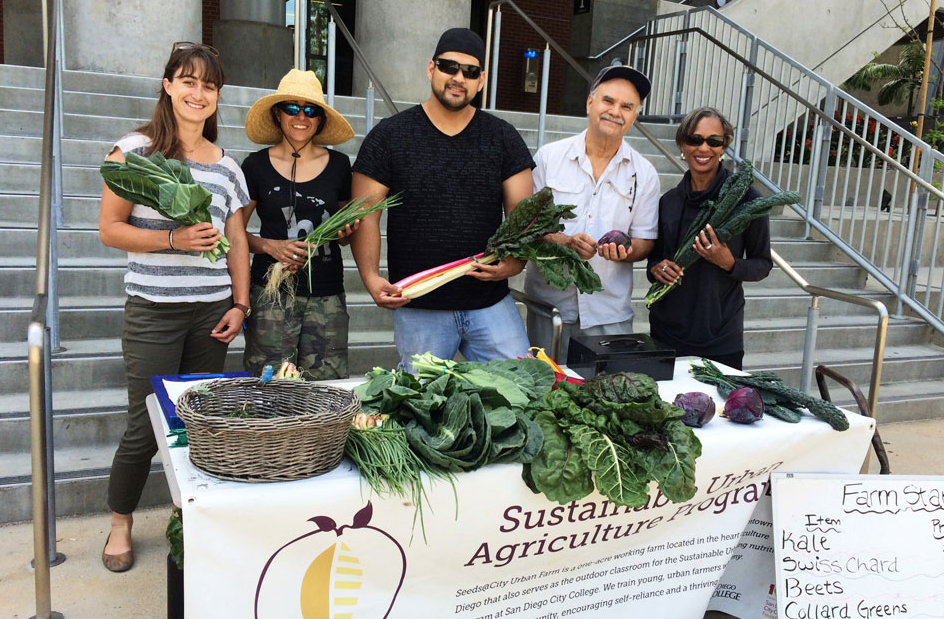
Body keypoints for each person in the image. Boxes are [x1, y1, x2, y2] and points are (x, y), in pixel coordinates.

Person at [98, 42, 250, 572]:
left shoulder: (227, 167)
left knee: (196, 423)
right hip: (153, 310)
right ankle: (121, 522)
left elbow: (235, 239)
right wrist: (172, 242)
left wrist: (241, 303)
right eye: (188, 81)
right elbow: (109, 230)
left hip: (210, 315)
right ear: (168, 86)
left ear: (217, 97)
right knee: (145, 426)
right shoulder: (134, 151)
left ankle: (188, 517)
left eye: (208, 86)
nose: (198, 93)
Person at [350, 27, 535, 369]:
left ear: (481, 81)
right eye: (449, 66)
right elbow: (365, 215)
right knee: (423, 408)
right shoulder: (390, 136)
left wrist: (514, 263)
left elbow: (525, 217)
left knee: (523, 394)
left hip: (491, 303)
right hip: (420, 307)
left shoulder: (503, 138)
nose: (458, 77)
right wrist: (371, 277)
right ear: (431, 68)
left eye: (470, 72)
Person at [523, 63, 660, 361]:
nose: (615, 111)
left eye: (627, 106)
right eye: (608, 100)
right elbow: (526, 227)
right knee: (544, 394)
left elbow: (646, 241)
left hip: (608, 315)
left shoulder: (644, 174)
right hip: (550, 310)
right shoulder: (549, 158)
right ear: (590, 103)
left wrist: (626, 250)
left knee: (603, 400)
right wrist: (566, 242)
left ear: (635, 116)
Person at [240, 69, 357, 380]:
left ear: (320, 119)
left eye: (311, 110)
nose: (301, 117)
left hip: (326, 296)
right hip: (271, 295)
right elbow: (233, 233)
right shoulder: (256, 165)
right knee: (268, 388)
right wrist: (269, 246)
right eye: (292, 108)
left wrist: (346, 233)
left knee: (326, 391)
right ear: (278, 114)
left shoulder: (339, 166)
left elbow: (348, 231)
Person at [647, 107, 771, 370]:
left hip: (721, 338)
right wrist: (656, 268)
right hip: (665, 334)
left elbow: (763, 264)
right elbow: (655, 258)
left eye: (713, 141)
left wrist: (729, 262)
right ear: (683, 144)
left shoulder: (747, 200)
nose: (703, 148)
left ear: (723, 146)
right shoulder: (667, 202)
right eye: (695, 139)